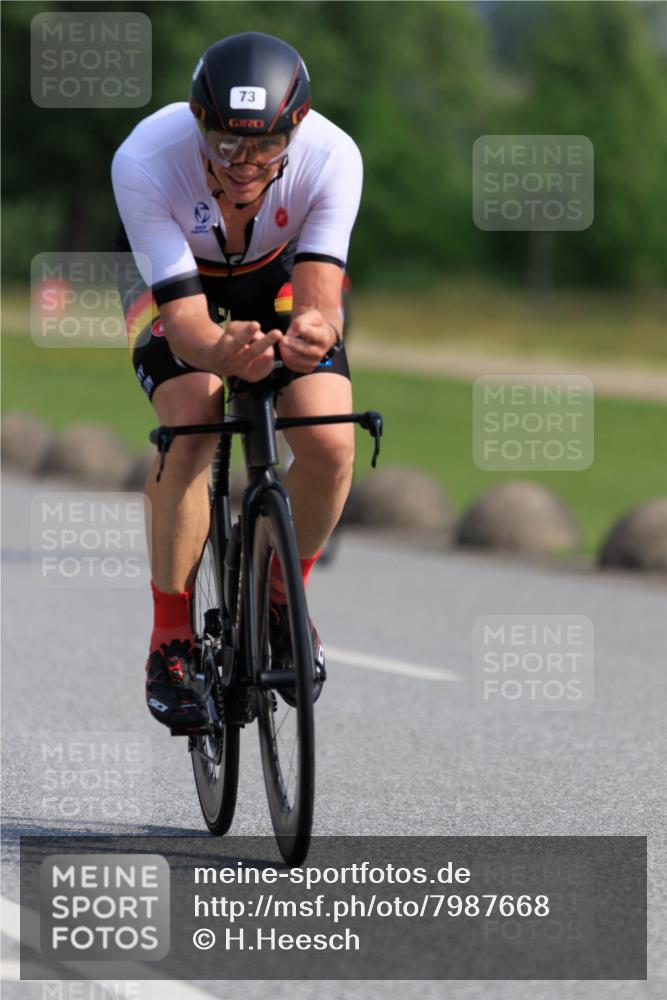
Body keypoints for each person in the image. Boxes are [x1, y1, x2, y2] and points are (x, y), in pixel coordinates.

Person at [111, 31, 363, 732]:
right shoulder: (144, 160)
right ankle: (169, 640)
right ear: (199, 121)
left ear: (297, 128)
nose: (245, 163)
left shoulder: (333, 157)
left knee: (328, 438)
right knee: (193, 413)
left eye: (265, 146)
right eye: (225, 143)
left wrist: (312, 334)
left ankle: (285, 600)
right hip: (181, 289)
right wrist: (222, 353)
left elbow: (319, 297)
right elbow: (187, 323)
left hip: (276, 279)